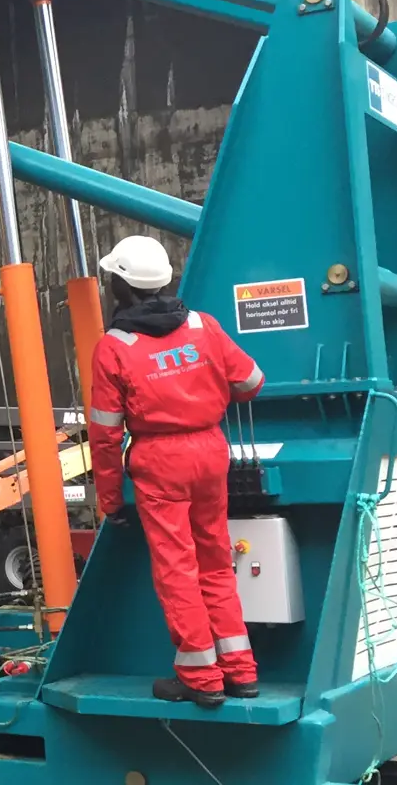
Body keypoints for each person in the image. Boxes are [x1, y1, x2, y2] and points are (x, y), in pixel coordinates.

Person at [87, 236, 265, 708]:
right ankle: (241, 671)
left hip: (160, 462)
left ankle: (201, 677)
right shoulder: (203, 326)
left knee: (177, 570)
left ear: (120, 287)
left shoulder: (114, 346)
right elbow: (251, 382)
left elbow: (104, 435)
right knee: (216, 562)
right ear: (165, 280)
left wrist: (110, 499)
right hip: (211, 452)